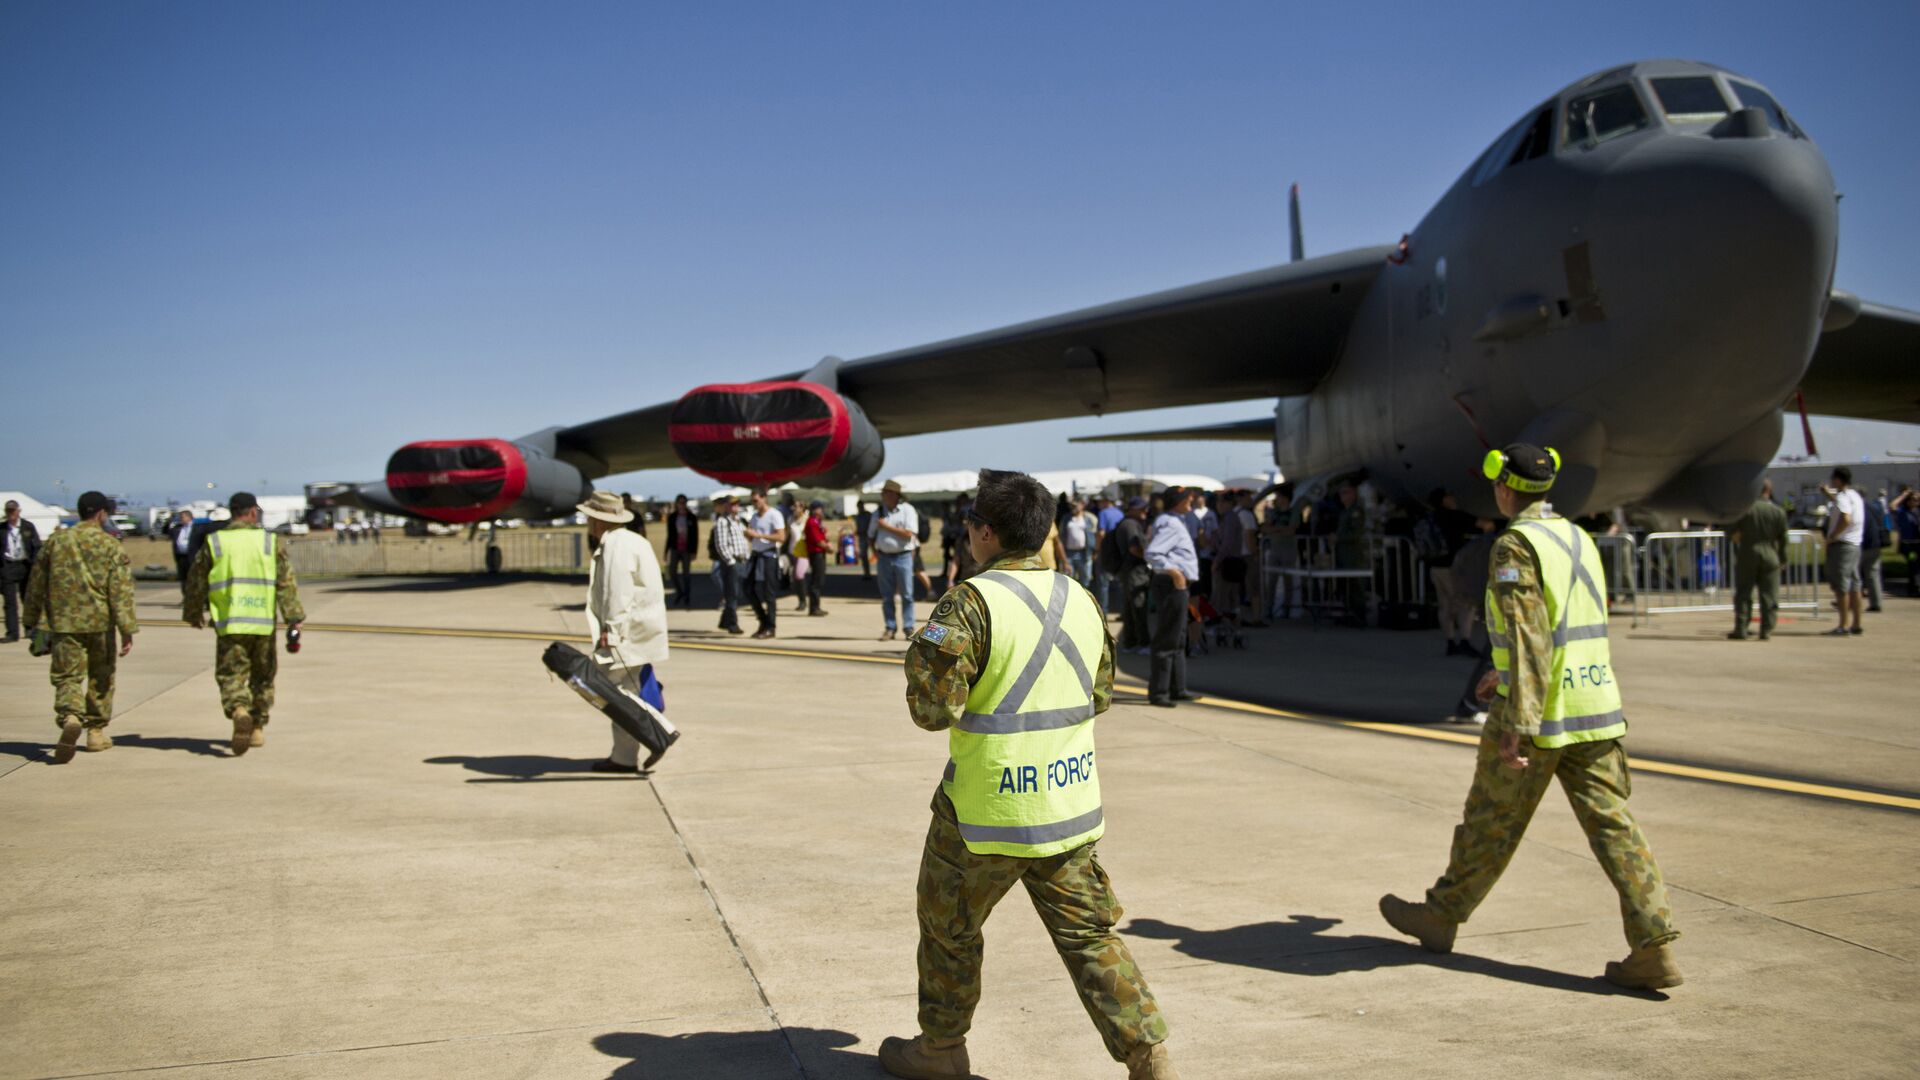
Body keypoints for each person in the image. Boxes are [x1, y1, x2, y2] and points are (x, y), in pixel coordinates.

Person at [881, 468, 1178, 1080]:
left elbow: (932, 711)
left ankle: (941, 1050)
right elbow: (1098, 697)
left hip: (982, 812)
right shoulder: (1083, 599)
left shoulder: (969, 601)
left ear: (984, 534)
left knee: (948, 930)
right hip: (1067, 807)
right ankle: (1149, 1058)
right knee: (1091, 939)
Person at [1380, 444, 1681, 991]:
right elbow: (1566, 626)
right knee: (1616, 830)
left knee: (1489, 821)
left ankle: (1440, 916)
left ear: (1504, 488)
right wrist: (1503, 669)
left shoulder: (1514, 545)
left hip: (1542, 714)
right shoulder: (1578, 537)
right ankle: (1653, 943)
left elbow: (1531, 634)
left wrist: (1518, 715)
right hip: (1595, 708)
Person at [183, 492, 304, 755]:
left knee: (231, 675)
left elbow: (196, 580)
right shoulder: (269, 542)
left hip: (230, 624)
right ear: (251, 512)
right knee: (263, 677)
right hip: (262, 624)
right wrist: (294, 618)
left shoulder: (215, 542)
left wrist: (193, 613)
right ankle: (258, 728)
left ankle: (239, 709)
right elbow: (286, 584)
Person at [24, 492, 136, 762]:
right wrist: (126, 629)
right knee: (101, 676)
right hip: (100, 623)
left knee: (68, 677)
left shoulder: (56, 541)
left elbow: (36, 582)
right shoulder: (110, 546)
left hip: (63, 623)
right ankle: (95, 732)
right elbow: (120, 591)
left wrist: (31, 620)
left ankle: (71, 716)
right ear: (100, 514)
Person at [579, 490, 677, 774]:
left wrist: (611, 630)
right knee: (625, 692)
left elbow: (616, 592)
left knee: (612, 693)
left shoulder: (615, 546)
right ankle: (623, 757)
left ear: (597, 521)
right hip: (641, 631)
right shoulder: (635, 540)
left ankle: (660, 731)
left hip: (626, 634)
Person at [1144, 487, 1199, 708]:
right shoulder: (1171, 523)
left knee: (1178, 636)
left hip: (1177, 585)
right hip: (1171, 584)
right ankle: (1159, 692)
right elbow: (1153, 553)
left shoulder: (1174, 520)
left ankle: (1177, 688)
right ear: (1177, 501)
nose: (1191, 501)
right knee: (1168, 638)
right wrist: (1174, 572)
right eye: (1187, 498)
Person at [1443, 518, 1500, 723]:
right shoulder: (1495, 545)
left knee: (1492, 658)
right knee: (1491, 660)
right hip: (1498, 609)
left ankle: (1470, 705)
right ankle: (1469, 705)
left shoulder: (1483, 545)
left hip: (1490, 605)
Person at [1727, 481, 1789, 640]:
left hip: (1748, 552)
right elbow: (1784, 539)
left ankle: (1741, 628)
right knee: (1769, 594)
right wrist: (1782, 558)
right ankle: (1766, 630)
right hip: (1770, 554)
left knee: (1744, 592)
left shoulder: (1745, 510)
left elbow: (1731, 532)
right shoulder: (1778, 511)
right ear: (1769, 490)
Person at [1420, 490, 1478, 655]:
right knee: (1465, 603)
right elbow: (1483, 524)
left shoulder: (1429, 518)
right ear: (1445, 500)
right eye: (1450, 497)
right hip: (1453, 567)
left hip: (1435, 567)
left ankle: (1450, 640)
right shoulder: (1455, 516)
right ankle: (1465, 640)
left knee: (1444, 604)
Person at [869, 479, 920, 640]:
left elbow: (909, 534)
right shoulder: (878, 512)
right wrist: (875, 551)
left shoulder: (907, 510)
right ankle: (890, 627)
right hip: (884, 557)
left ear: (894, 495)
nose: (883, 496)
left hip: (903, 556)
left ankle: (908, 627)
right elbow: (870, 535)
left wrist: (886, 527)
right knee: (887, 595)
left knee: (907, 595)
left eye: (886, 493)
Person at [1821, 467, 1865, 636]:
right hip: (1855, 544)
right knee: (1855, 584)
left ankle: (1843, 624)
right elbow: (1843, 507)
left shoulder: (1842, 497)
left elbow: (1845, 517)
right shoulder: (1854, 496)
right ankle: (1856, 623)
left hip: (1843, 545)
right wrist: (1829, 495)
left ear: (1838, 480)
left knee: (1841, 586)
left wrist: (1833, 535)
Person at [743, 489, 785, 639]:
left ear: (764, 499)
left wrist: (759, 535)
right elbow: (754, 539)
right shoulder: (754, 517)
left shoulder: (774, 515)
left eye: (756, 500)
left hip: (769, 555)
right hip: (756, 555)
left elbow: (781, 536)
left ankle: (771, 627)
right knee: (747, 588)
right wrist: (749, 536)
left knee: (769, 592)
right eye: (752, 501)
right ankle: (763, 620)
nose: (754, 504)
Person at [3, 499, 45, 642]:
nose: (11, 514)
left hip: (25, 566)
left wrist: (35, 564)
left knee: (27, 600)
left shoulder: (28, 527)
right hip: (7, 566)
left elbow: (37, 546)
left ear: (18, 511)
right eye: (8, 511)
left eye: (13, 511)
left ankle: (30, 629)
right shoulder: (2, 529)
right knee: (9, 602)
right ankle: (12, 633)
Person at [1114, 497, 1152, 650]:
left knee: (1131, 608)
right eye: (1141, 508)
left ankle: (1131, 642)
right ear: (1132, 509)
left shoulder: (1132, 523)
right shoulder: (1130, 525)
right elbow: (1134, 548)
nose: (1145, 511)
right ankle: (1143, 643)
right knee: (1138, 606)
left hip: (1132, 571)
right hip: (1134, 571)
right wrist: (1151, 558)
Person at [709, 494, 748, 635]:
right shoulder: (722, 522)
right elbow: (720, 544)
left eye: (737, 504)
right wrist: (729, 561)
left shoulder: (738, 521)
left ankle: (725, 621)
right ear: (726, 506)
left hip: (741, 560)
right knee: (732, 594)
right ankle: (732, 623)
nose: (735, 506)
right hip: (731, 562)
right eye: (732, 504)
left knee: (736, 593)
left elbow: (742, 540)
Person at [663, 494, 700, 611]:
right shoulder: (672, 517)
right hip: (675, 548)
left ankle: (687, 597)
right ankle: (680, 592)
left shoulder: (691, 517)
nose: (682, 505)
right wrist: (666, 551)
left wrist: (694, 551)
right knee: (672, 572)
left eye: (684, 502)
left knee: (686, 574)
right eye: (680, 502)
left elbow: (695, 535)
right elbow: (669, 535)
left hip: (687, 549)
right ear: (676, 503)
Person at [1859, 487, 1888, 613]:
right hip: (1876, 543)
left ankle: (1850, 601)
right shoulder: (1875, 507)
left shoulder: (1859, 508)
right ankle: (1876, 602)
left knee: (1853, 574)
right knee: (1873, 574)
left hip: (1863, 544)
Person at [1062, 498, 1097, 588]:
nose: (1072, 508)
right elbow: (1061, 535)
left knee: (1085, 580)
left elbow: (1095, 535)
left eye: (1075, 505)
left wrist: (1094, 551)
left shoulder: (1089, 518)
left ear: (1082, 505)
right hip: (1069, 553)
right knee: (1069, 580)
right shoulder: (1066, 518)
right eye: (1071, 505)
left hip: (1084, 553)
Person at [803, 499, 830, 616]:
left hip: (819, 553)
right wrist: (829, 548)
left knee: (819, 580)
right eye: (820, 508)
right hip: (816, 554)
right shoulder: (812, 522)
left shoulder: (817, 522)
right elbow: (818, 540)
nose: (822, 511)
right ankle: (814, 607)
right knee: (816, 580)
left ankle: (816, 606)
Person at [1893, 486, 1920, 597]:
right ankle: (1914, 589)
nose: (1916, 502)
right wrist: (1905, 494)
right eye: (1914, 499)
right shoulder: (1902, 512)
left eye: (1917, 500)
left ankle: (1914, 588)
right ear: (1908, 501)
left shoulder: (1918, 511)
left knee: (1916, 566)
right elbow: (1892, 505)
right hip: (1908, 544)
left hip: (1918, 543)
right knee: (1914, 565)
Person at [164, 509, 196, 599]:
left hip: (192, 556)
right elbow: (165, 531)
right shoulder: (177, 528)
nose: (181, 519)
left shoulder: (196, 528)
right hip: (181, 557)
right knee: (183, 579)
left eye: (183, 517)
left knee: (193, 578)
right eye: (180, 517)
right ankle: (186, 597)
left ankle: (194, 597)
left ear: (189, 517)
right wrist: (170, 519)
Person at [855, 502, 876, 580]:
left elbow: (872, 525)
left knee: (875, 554)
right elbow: (858, 526)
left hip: (869, 537)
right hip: (862, 537)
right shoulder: (858, 516)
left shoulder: (868, 515)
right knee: (863, 556)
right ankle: (866, 573)